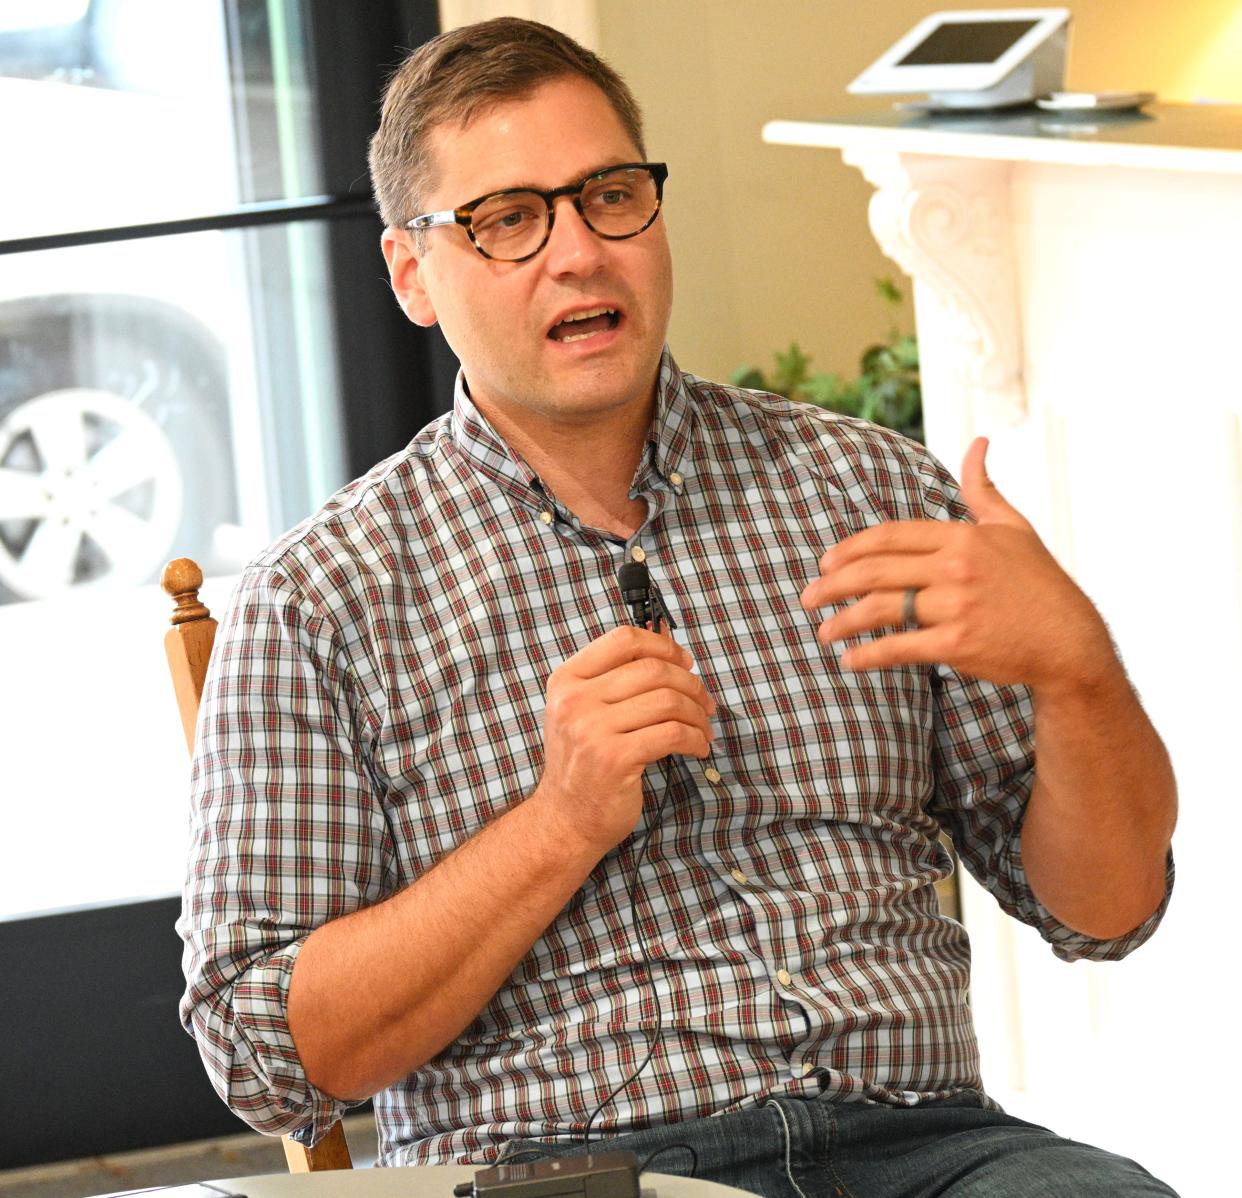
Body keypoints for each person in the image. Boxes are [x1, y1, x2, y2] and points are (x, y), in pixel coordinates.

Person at [178, 17, 1178, 1196]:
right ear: (411, 273)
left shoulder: (868, 492)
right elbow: (268, 1059)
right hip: (571, 1173)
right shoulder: (321, 601)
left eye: (610, 194)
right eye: (508, 219)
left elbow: (1106, 912)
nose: (580, 253)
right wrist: (557, 825)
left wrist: (1079, 672)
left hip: (931, 1149)